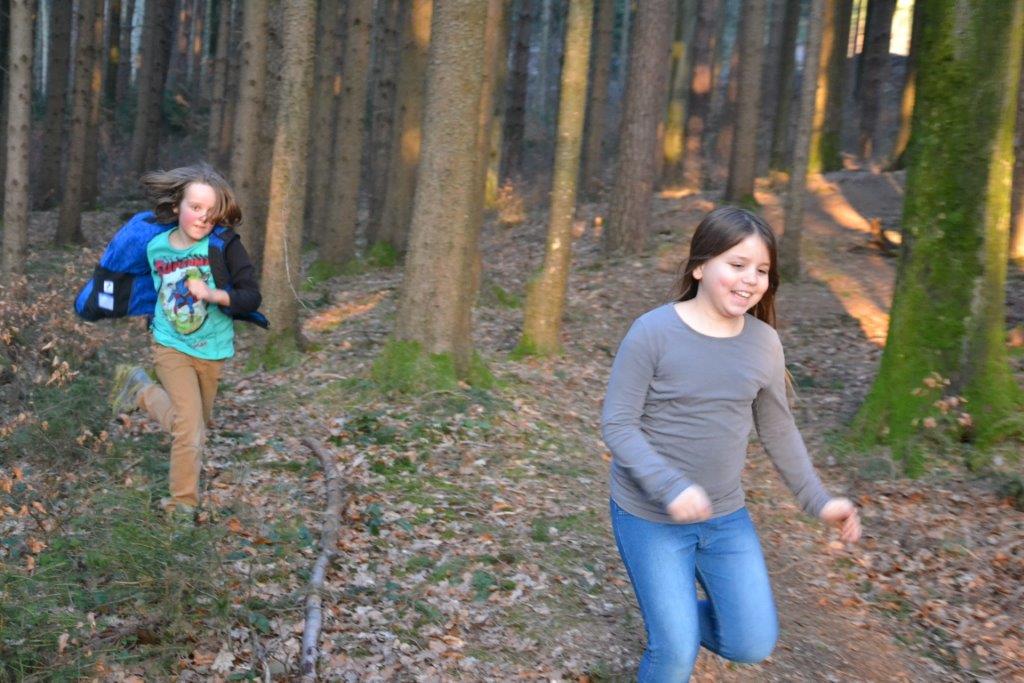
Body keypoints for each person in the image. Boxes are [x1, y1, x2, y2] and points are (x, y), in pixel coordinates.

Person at [601, 206, 861, 681]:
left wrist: (819, 500)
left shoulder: (763, 342)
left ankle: (675, 618)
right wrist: (670, 486)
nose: (750, 280)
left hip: (725, 517)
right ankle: (672, 628)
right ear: (700, 266)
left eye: (761, 270)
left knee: (750, 642)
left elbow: (778, 429)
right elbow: (617, 425)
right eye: (737, 265)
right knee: (674, 652)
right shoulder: (653, 332)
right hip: (648, 517)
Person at [76, 164, 266, 521]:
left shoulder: (224, 246)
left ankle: (140, 390)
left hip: (212, 350)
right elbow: (143, 286)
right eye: (195, 207)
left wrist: (213, 294)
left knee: (193, 430)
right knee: (190, 432)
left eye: (211, 211)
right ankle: (181, 509)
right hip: (169, 345)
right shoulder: (155, 247)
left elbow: (251, 297)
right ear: (177, 205)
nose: (203, 217)